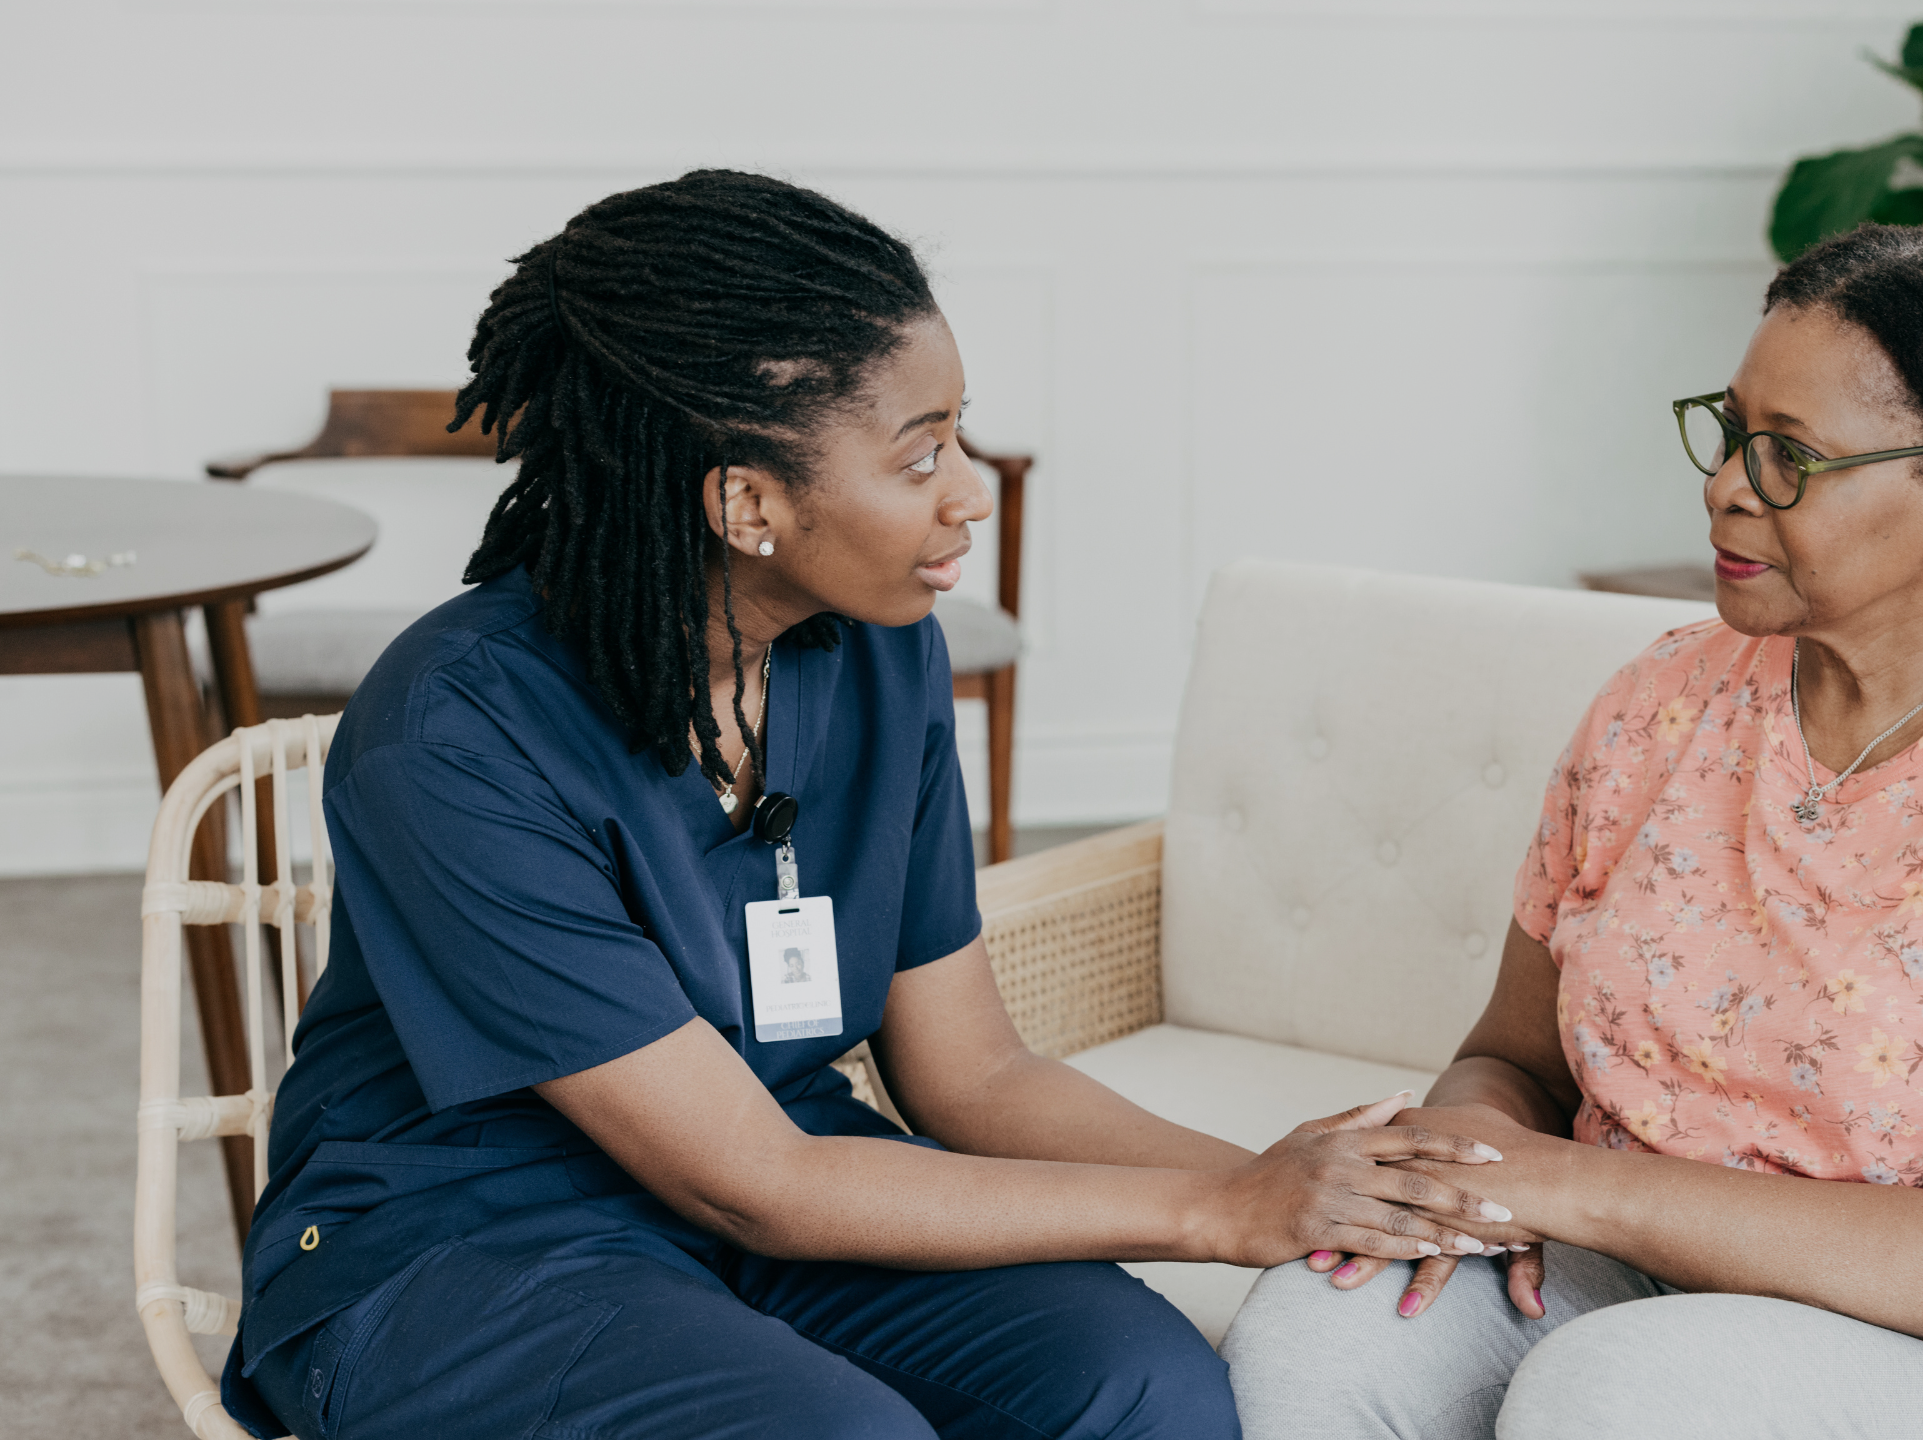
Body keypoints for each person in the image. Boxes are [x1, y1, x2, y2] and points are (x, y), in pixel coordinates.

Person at [220, 171, 1513, 1440]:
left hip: (786, 1175)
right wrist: (1221, 1210)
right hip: (467, 1243)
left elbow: (979, 1079)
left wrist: (1291, 1176)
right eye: (920, 456)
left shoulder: (882, 651)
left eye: (959, 432)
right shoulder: (458, 731)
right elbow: (755, 1185)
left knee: (1142, 1388)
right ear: (746, 501)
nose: (970, 492)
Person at [1220, 225, 1923, 1439]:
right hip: (1640, 1271)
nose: (1725, 485)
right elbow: (1517, 1061)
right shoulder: (1661, 701)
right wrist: (1471, 1174)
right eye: (1728, 432)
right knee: (1315, 1333)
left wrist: (1575, 1189)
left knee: (1619, 1397)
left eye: (1791, 457)